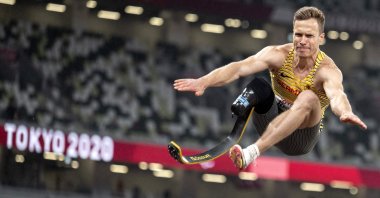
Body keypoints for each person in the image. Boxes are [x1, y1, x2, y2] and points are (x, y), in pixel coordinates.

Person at [173, 6, 367, 170]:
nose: (302, 41)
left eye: (309, 36)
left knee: (309, 97)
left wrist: (345, 112)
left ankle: (251, 153)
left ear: (321, 38)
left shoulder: (327, 70)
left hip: (300, 139)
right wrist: (204, 81)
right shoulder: (278, 54)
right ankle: (239, 111)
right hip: (271, 122)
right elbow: (239, 68)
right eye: (298, 34)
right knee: (260, 85)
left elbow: (337, 94)